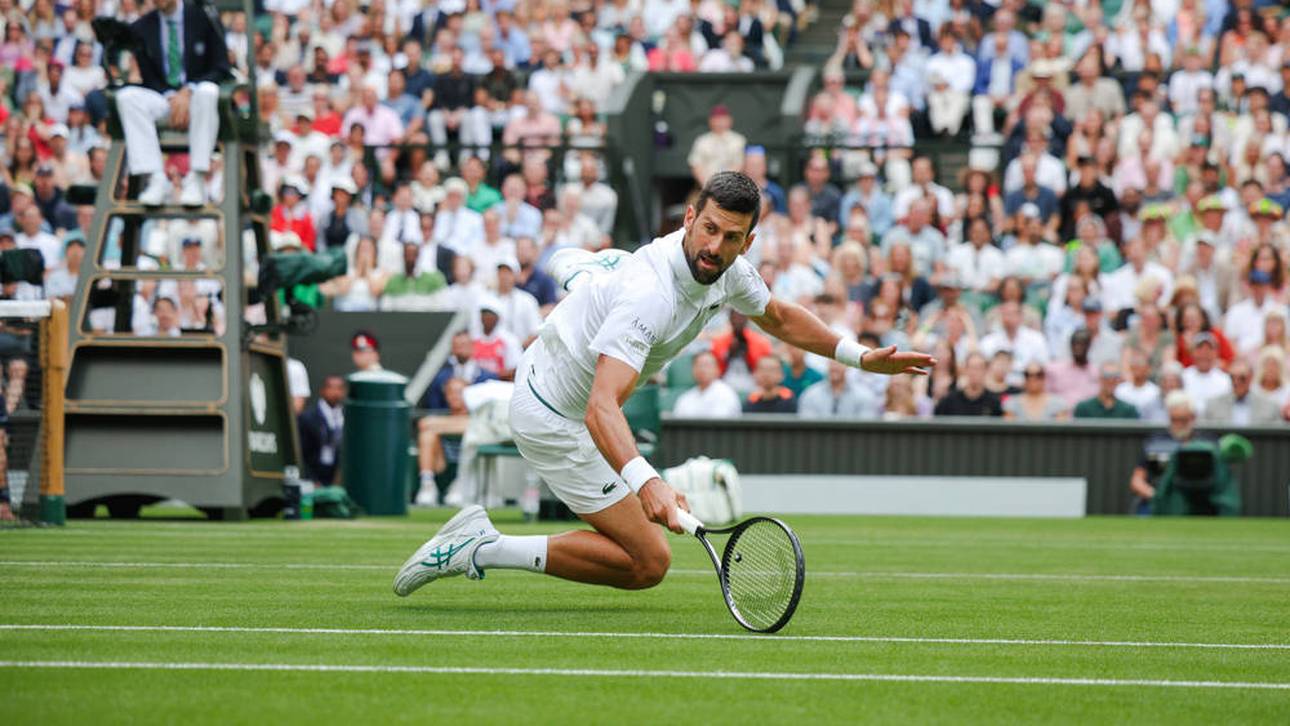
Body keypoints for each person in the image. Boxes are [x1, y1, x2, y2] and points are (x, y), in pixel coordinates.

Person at [393, 172, 932, 595]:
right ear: (690, 218)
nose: (715, 246)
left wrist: (861, 356)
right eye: (709, 229)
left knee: (609, 292)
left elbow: (778, 317)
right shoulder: (649, 295)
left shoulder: (729, 270)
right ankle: (480, 546)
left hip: (573, 368)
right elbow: (601, 408)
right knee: (648, 563)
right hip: (553, 416)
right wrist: (647, 481)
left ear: (748, 243)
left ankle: (585, 273)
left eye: (732, 238)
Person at [116, 0, 231, 206]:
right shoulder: (141, 27)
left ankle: (196, 178)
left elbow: (221, 67)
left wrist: (188, 91)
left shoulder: (203, 17)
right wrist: (171, 96)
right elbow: (149, 78)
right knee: (127, 97)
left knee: (208, 92)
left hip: (198, 95)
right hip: (164, 98)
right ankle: (155, 178)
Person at [1129, 391, 1207, 515]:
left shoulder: (1206, 444)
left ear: (1193, 418)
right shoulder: (1155, 443)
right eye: (1174, 419)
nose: (1178, 424)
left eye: (1183, 420)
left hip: (1196, 505)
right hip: (1158, 503)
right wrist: (1156, 496)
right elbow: (1136, 481)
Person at [1200, 360, 1282, 426]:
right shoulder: (1213, 406)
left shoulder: (1269, 407)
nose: (1236, 382)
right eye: (1232, 377)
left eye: (1242, 378)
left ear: (1250, 378)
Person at [297, 375, 345, 486]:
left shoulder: (347, 417)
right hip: (312, 477)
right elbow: (301, 454)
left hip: (336, 479)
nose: (335, 392)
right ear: (322, 390)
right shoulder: (307, 418)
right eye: (331, 387)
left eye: (339, 388)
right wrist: (311, 479)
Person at [797, 359, 880, 418]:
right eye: (832, 362)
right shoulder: (810, 395)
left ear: (847, 365)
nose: (835, 367)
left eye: (839, 363)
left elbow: (866, 428)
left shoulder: (864, 396)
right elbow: (808, 428)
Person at [672, 351, 743, 419]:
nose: (702, 369)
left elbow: (718, 423)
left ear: (717, 369)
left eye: (706, 365)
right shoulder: (685, 397)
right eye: (698, 365)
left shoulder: (725, 393)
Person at [933, 352, 1002, 416]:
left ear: (986, 371)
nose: (974, 372)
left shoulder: (994, 402)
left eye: (979, 368)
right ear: (965, 370)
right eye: (971, 368)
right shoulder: (950, 401)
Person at [1003, 363, 1068, 421]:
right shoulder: (1012, 403)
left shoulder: (1058, 403)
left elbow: (1061, 428)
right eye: (1028, 375)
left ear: (1044, 377)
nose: (1033, 378)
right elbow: (1009, 428)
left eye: (1038, 375)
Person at [1073, 363, 1139, 419]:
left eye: (1115, 377)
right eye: (1107, 376)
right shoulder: (1083, 409)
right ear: (1100, 378)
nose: (1111, 381)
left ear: (1119, 380)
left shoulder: (1128, 410)